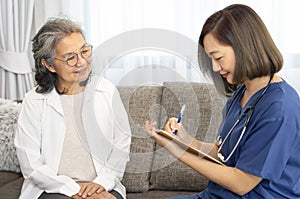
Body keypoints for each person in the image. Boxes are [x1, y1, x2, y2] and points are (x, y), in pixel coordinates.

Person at [145, 4, 300, 199]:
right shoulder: (242, 92)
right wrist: (184, 139)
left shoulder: (280, 108)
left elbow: (241, 183)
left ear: (245, 48)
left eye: (217, 57)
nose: (215, 67)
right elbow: (223, 152)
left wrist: (174, 150)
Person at [14, 18, 131, 199]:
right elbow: (31, 164)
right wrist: (73, 190)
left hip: (102, 185)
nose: (82, 62)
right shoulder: (34, 101)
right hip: (52, 189)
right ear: (49, 64)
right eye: (70, 57)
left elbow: (121, 144)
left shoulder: (106, 90)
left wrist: (100, 184)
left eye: (84, 51)